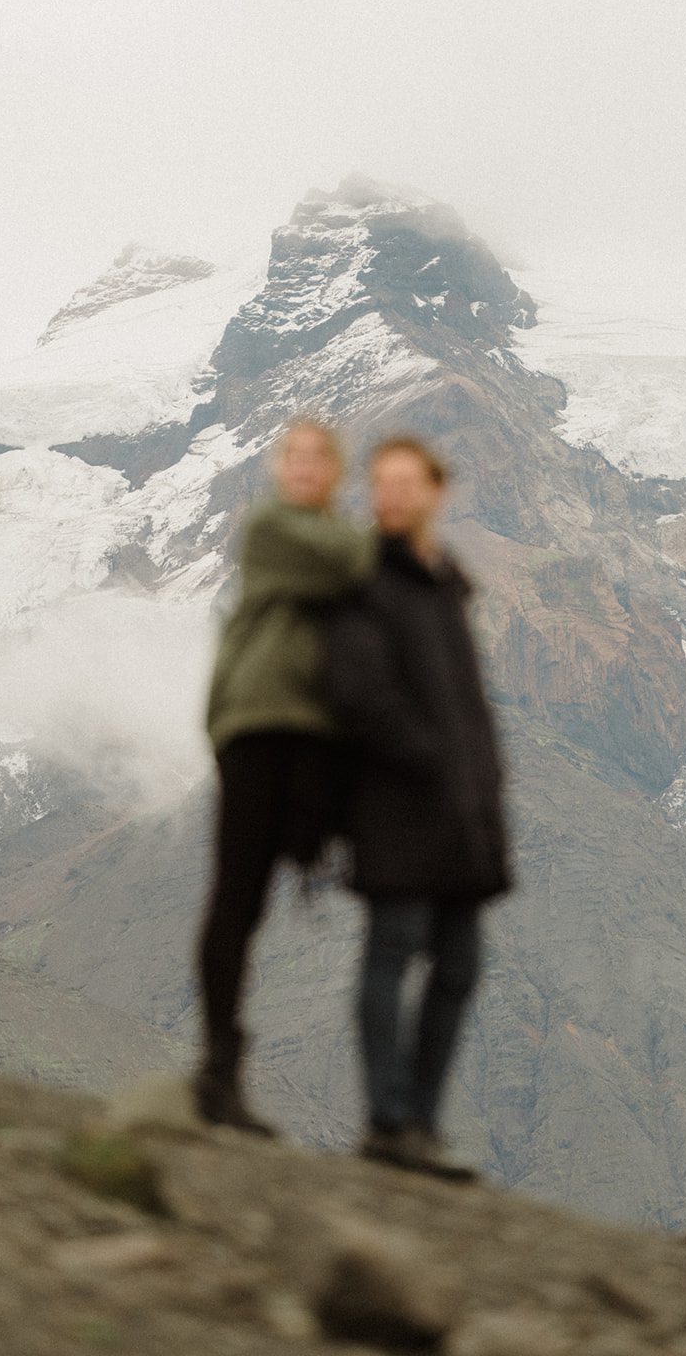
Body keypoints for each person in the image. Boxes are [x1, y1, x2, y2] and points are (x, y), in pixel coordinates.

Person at [324, 436, 512, 1179]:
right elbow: (357, 692)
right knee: (393, 948)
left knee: (459, 965)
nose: (393, 495)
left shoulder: (445, 583)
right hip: (396, 806)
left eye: (406, 482)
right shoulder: (365, 580)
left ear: (437, 490)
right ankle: (389, 1122)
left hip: (458, 811)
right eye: (382, 483)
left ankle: (422, 1125)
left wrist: (482, 783)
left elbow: (466, 706)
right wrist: (428, 756)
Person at [195, 419, 373, 1130]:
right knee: (237, 893)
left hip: (311, 736)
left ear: (335, 470)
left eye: (318, 457)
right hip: (258, 721)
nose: (304, 466)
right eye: (293, 456)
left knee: (268, 883)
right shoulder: (272, 529)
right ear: (277, 468)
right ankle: (217, 1068)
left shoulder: (325, 535)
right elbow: (355, 564)